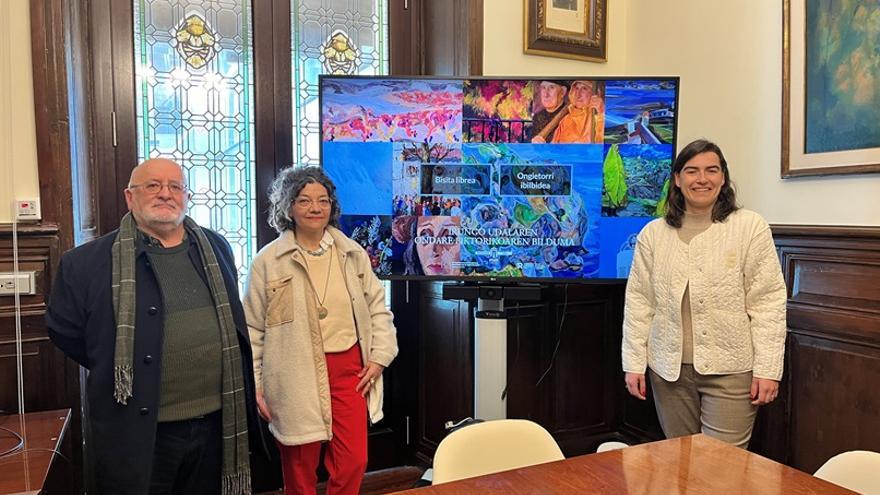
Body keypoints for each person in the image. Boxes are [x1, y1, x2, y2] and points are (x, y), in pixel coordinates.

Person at [45, 158, 259, 494]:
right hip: (139, 433)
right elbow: (65, 332)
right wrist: (119, 359)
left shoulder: (217, 248)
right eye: (153, 186)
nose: (166, 194)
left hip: (216, 427)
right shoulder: (85, 263)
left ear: (186, 196)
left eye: (175, 186)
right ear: (130, 197)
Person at [621, 139, 787, 449]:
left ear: (723, 177)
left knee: (723, 468)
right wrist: (633, 362)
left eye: (711, 170)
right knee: (680, 462)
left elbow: (768, 302)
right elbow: (640, 301)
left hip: (731, 371)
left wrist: (768, 370)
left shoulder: (750, 228)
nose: (702, 179)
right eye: (692, 171)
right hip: (668, 374)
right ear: (677, 179)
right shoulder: (653, 234)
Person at [243, 166, 398, 495]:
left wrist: (380, 357)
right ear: (288, 207)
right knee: (299, 467)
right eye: (304, 201)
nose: (315, 208)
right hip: (292, 373)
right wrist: (255, 385)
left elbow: (378, 309)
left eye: (322, 200)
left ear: (332, 206)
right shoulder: (268, 261)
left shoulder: (352, 255)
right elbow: (253, 328)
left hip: (349, 371)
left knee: (353, 461)